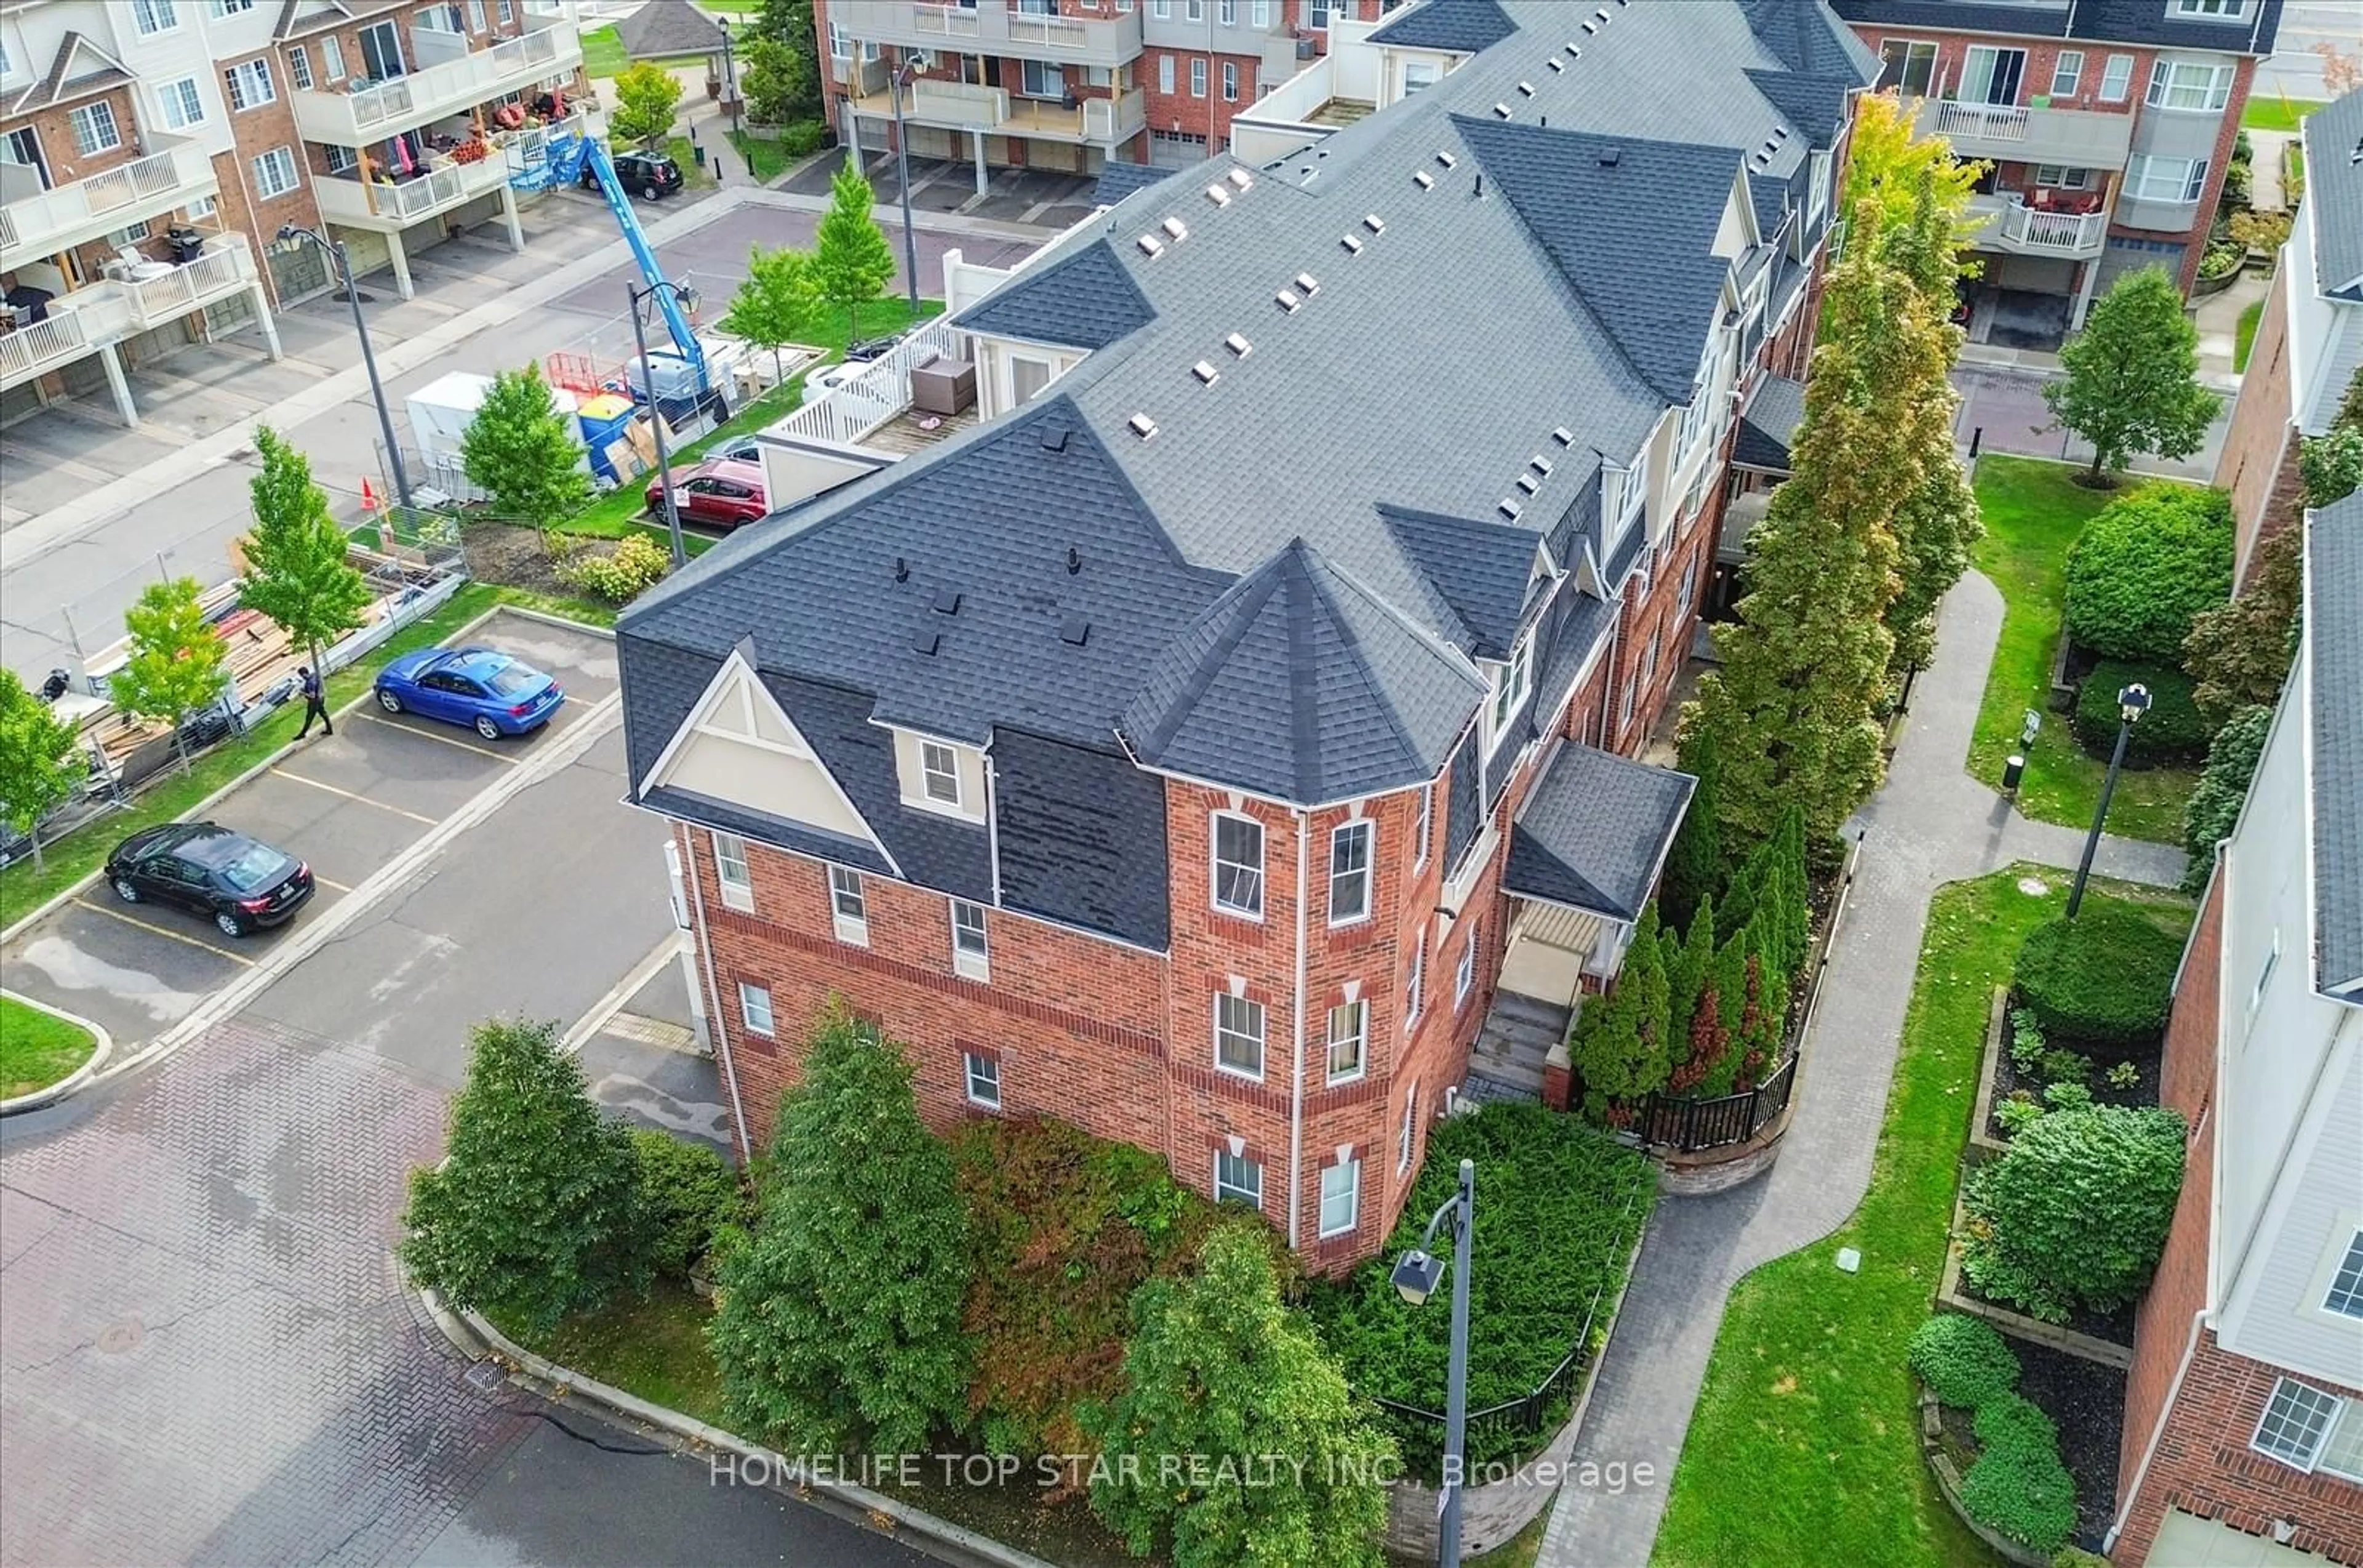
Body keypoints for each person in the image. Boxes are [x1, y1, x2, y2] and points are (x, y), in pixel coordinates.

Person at [295, 665, 332, 739]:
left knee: (309, 718)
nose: (302, 677)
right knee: (324, 714)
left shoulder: (309, 683)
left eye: (301, 675)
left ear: (304, 674)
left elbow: (312, 696)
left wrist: (303, 693)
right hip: (321, 698)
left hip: (314, 702)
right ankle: (330, 729)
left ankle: (302, 734)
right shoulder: (314, 676)